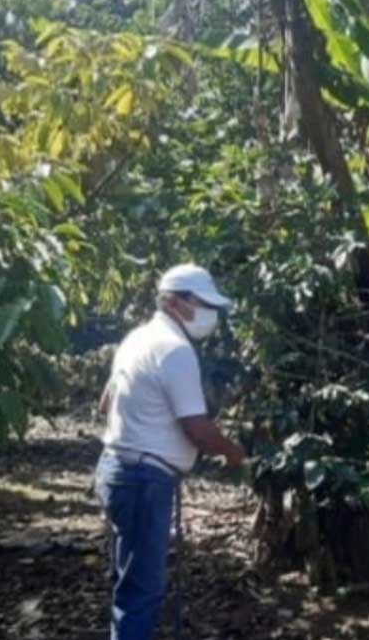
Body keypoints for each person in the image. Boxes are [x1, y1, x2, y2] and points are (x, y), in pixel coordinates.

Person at [94, 263, 246, 640]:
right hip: (144, 478)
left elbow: (105, 403)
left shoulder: (135, 339)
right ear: (177, 302)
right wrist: (232, 452)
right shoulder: (175, 350)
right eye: (204, 304)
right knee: (141, 591)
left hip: (116, 470)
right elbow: (196, 428)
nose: (210, 314)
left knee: (128, 582)